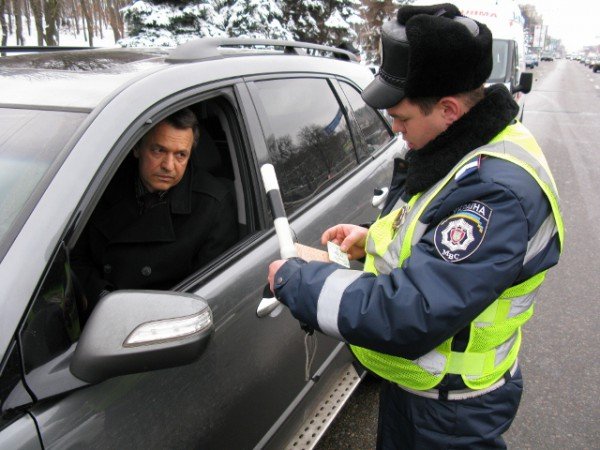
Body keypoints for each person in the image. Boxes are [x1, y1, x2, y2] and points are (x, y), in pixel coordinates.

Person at [268, 3, 563, 449]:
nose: (393, 126)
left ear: (447, 109)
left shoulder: (496, 193)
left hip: (452, 415)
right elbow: (429, 226)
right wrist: (370, 240)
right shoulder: (457, 147)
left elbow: (410, 311)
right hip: (424, 394)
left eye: (402, 117)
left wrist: (296, 280)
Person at [72, 108, 238, 310]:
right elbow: (77, 255)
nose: (169, 166)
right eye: (158, 150)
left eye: (180, 155)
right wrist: (101, 296)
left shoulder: (212, 205)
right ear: (136, 149)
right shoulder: (101, 185)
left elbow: (205, 291)